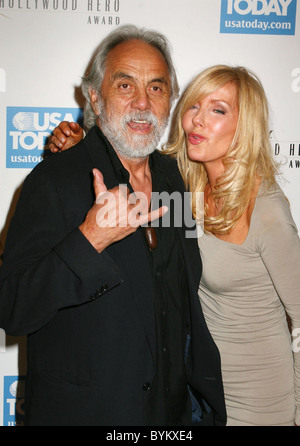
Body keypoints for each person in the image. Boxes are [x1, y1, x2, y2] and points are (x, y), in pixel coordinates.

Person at [0, 26, 226, 426]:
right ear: (94, 97)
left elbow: (173, 294)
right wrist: (89, 240)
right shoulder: (54, 181)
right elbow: (12, 307)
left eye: (157, 88)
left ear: (170, 99)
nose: (143, 102)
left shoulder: (175, 179)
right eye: (125, 85)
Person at [53, 64, 300, 426]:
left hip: (260, 398)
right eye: (193, 106)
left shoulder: (265, 210)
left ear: (244, 125)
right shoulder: (182, 184)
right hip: (201, 394)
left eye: (218, 110)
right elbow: (127, 192)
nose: (197, 120)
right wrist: (79, 149)